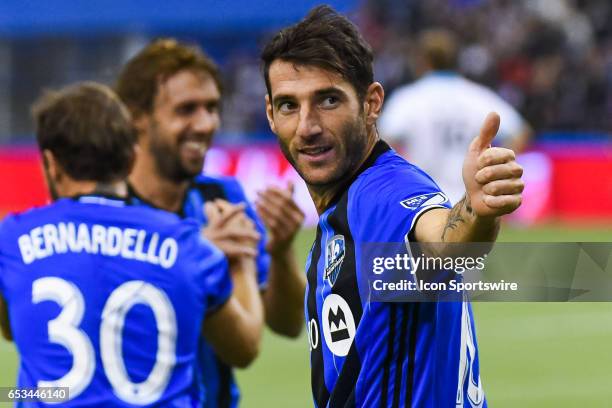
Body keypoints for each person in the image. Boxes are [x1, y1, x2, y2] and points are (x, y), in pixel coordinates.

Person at [261, 6, 524, 407]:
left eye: (328, 100)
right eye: (288, 106)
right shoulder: (340, 212)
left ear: (371, 103)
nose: (307, 126)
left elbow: (445, 243)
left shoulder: (381, 192)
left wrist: (476, 210)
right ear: (270, 114)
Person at [0, 82, 263, 407]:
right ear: (130, 160)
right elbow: (245, 347)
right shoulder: (188, 247)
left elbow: (15, 326)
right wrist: (242, 261)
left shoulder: (12, 240)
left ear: (51, 164)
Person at [115, 39, 306, 407]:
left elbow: (286, 323)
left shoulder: (221, 198)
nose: (205, 125)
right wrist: (193, 256)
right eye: (186, 110)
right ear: (136, 116)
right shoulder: (109, 210)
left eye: (212, 108)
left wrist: (280, 253)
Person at [379, 28, 532, 204]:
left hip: (423, 199)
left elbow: (383, 141)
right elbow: (520, 132)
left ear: (423, 60)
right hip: (469, 200)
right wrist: (492, 173)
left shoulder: (408, 98)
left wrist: (402, 176)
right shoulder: (476, 95)